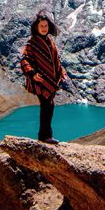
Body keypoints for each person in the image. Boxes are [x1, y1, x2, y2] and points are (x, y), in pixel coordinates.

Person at [20, 9, 68, 144]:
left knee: (49, 106)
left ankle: (46, 136)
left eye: (46, 26)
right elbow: (24, 60)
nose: (43, 28)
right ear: (36, 27)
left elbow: (55, 59)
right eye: (41, 26)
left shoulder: (50, 41)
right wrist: (33, 73)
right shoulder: (32, 43)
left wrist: (60, 72)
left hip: (50, 79)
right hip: (40, 80)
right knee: (47, 106)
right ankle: (45, 137)